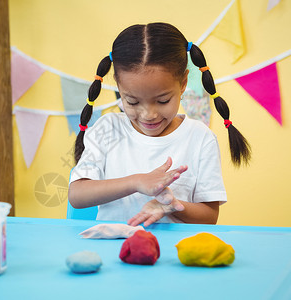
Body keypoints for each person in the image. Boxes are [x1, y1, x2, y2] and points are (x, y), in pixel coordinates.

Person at [68, 22, 251, 227]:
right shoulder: (107, 129)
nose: (149, 115)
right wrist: (136, 182)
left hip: (176, 254)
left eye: (163, 101)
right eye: (133, 102)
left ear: (182, 84)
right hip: (113, 249)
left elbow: (209, 216)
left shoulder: (200, 138)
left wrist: (172, 205)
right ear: (119, 87)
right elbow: (77, 195)